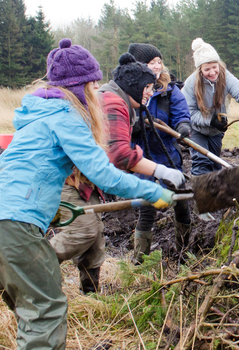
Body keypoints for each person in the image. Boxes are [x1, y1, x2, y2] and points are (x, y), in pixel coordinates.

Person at [0, 39, 175, 350]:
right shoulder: (66, 115)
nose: (97, 91)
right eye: (94, 84)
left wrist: (49, 209)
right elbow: (104, 171)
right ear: (82, 85)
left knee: (31, 301)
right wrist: (153, 190)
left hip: (11, 217)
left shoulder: (36, 115)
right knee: (47, 309)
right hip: (15, 224)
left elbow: (22, 169)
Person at [50, 51, 185, 291]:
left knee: (95, 241)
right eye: (147, 87)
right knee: (84, 233)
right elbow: (119, 154)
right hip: (69, 180)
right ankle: (25, 265)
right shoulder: (113, 101)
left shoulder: (118, 99)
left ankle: (89, 294)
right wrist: (160, 172)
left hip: (86, 180)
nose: (150, 93)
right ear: (134, 85)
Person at [128, 42, 193, 259]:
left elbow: (182, 114)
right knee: (147, 207)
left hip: (167, 154)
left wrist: (183, 127)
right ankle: (140, 259)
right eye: (151, 63)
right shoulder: (130, 93)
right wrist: (137, 126)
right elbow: (122, 125)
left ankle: (184, 251)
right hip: (141, 157)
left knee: (181, 201)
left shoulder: (169, 90)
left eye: (158, 62)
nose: (156, 67)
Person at [182, 38, 239, 176]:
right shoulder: (191, 84)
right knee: (201, 162)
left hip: (216, 131)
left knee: (214, 164)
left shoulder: (225, 76)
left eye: (215, 67)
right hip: (196, 130)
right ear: (200, 69)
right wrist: (210, 120)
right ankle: (199, 195)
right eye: (207, 69)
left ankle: (216, 195)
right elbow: (188, 112)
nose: (212, 72)